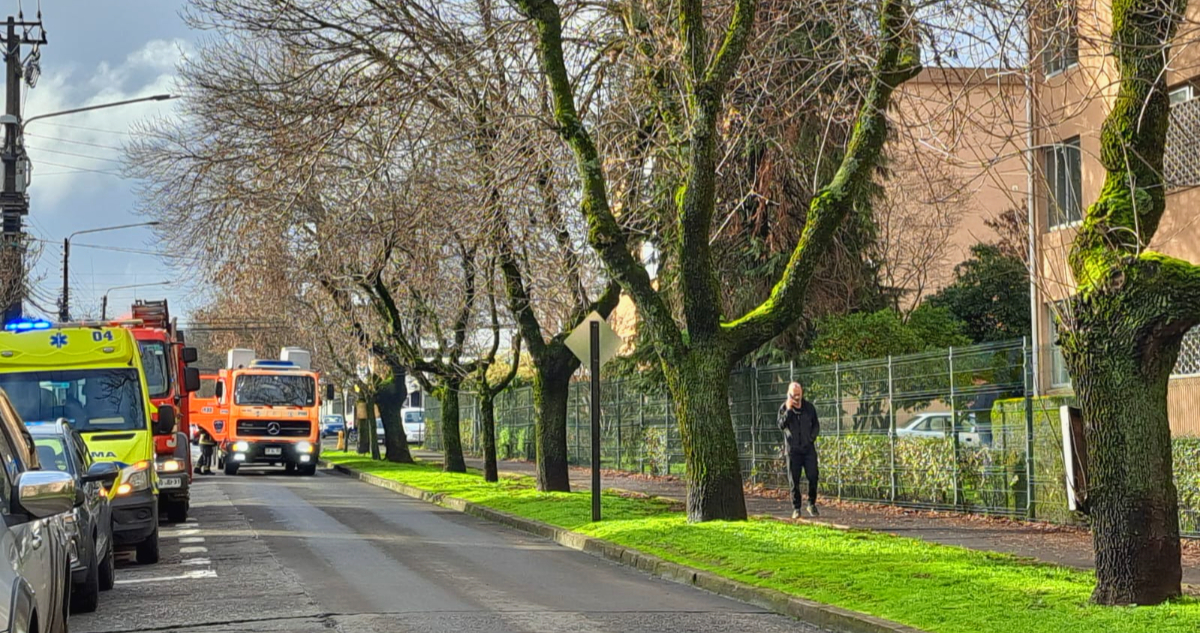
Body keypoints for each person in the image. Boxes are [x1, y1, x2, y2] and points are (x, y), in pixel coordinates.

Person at [778, 381, 820, 518]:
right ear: (789, 395)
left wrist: (810, 438)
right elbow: (781, 425)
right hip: (793, 451)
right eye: (794, 395)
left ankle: (811, 504)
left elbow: (816, 425)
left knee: (813, 476)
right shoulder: (784, 408)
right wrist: (789, 410)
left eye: (799, 395)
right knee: (794, 480)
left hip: (808, 449)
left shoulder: (809, 408)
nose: (797, 398)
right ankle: (796, 508)